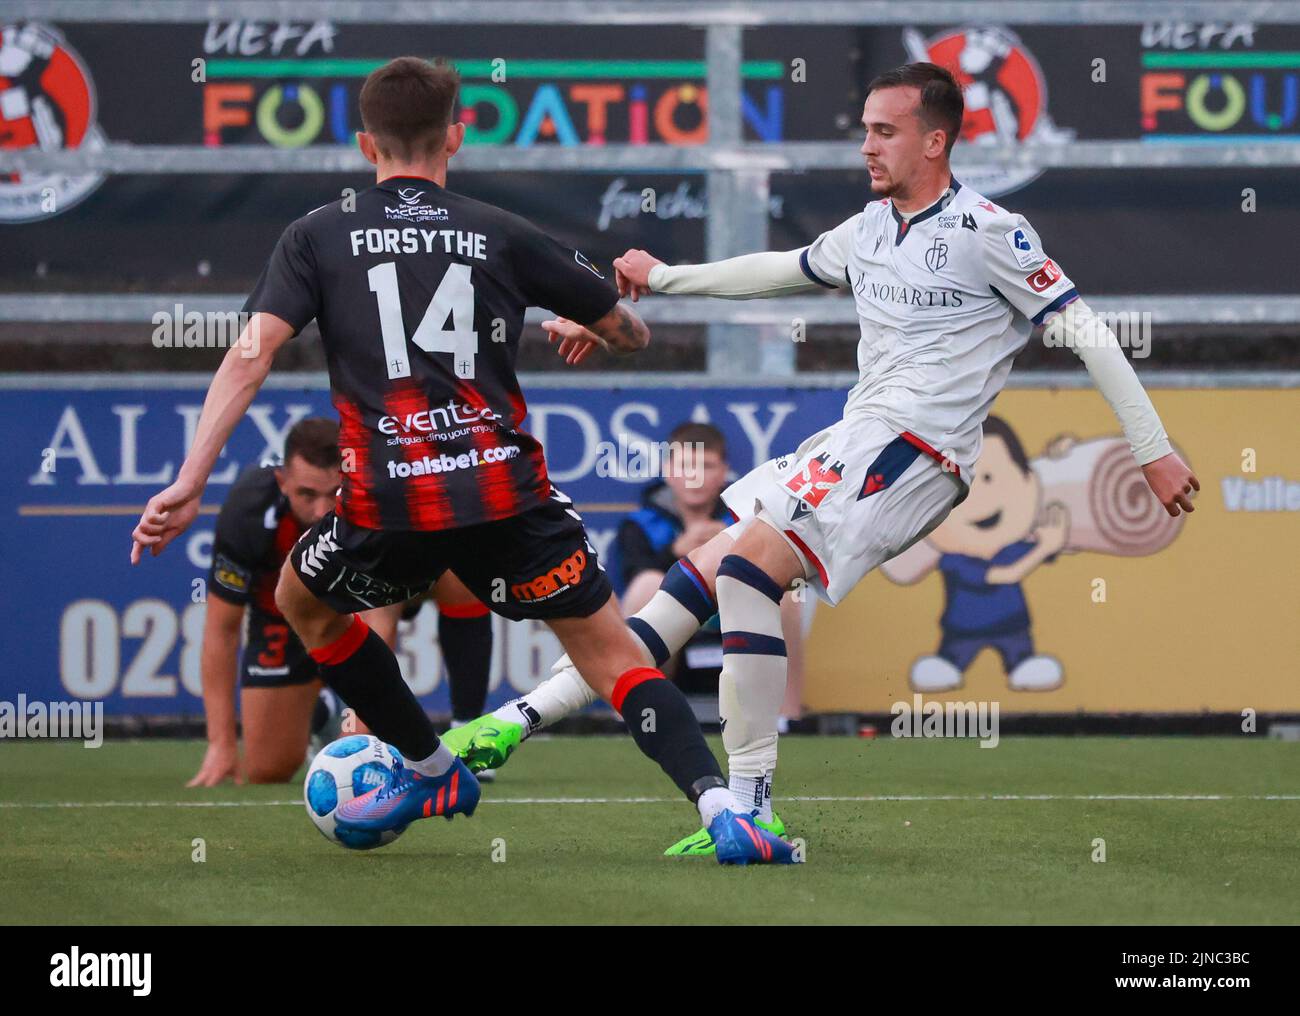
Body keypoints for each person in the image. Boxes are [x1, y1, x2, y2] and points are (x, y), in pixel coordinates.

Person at [444, 61, 1200, 857]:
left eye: (885, 131)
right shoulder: (870, 229)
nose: (867, 147)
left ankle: (751, 806)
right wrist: (657, 280)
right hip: (854, 438)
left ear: (936, 141)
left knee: (744, 576)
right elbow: (778, 271)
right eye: (866, 129)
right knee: (701, 572)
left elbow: (1085, 331)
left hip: (917, 452)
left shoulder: (990, 232)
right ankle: (515, 721)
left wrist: (1151, 450)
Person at [130, 57, 795, 865]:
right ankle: (723, 805)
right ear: (458, 133)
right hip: (506, 497)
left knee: (300, 600)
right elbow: (629, 330)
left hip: (387, 503)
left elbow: (249, 354)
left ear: (363, 142)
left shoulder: (315, 233)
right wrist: (595, 323)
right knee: (615, 657)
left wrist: (191, 476)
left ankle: (432, 766)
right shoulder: (500, 230)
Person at [190, 417, 496, 786]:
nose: (320, 511)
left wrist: (355, 738)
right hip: (284, 620)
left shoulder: (377, 496)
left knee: (460, 570)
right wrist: (221, 744)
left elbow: (376, 623)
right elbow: (221, 631)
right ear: (282, 481)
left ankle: (466, 726)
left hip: (362, 602)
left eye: (332, 493)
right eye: (306, 494)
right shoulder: (248, 512)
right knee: (266, 769)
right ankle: (321, 713)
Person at [614, 422, 805, 720]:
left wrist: (735, 544)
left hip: (738, 629)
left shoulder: (749, 517)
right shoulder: (641, 524)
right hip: (670, 641)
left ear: (722, 472)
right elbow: (633, 582)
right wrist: (675, 553)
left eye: (705, 466)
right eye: (686, 465)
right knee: (647, 584)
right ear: (668, 470)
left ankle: (786, 717)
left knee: (789, 597)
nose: (694, 476)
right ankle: (636, 715)